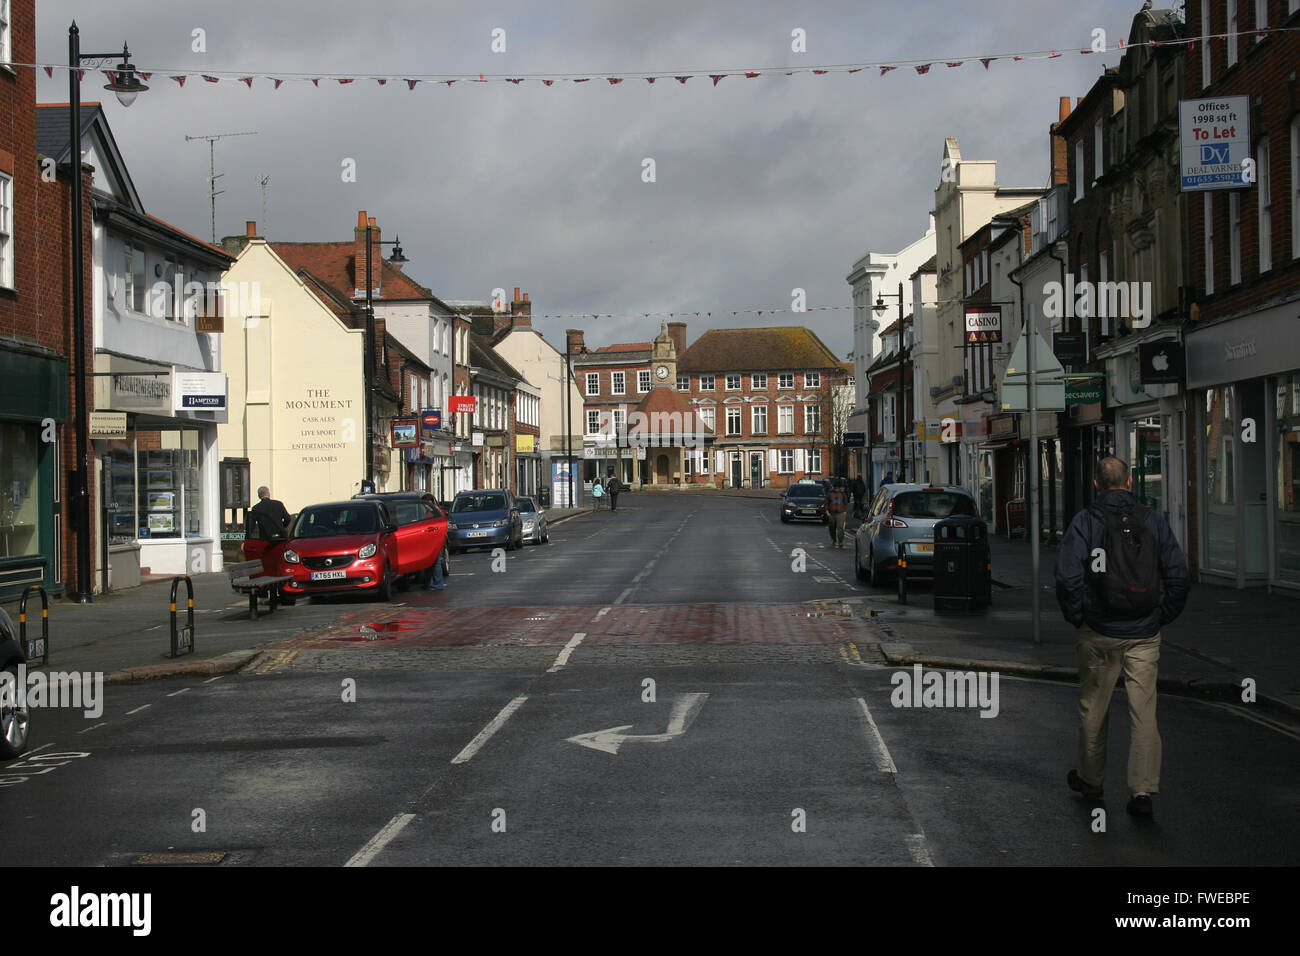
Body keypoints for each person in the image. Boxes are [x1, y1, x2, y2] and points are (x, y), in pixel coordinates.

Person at [1054, 456, 1189, 819]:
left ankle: (1091, 780)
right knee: (1144, 711)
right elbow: (1178, 574)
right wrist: (1161, 615)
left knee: (1094, 709)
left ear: (1097, 485)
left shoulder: (1086, 522)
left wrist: (1079, 615)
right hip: (1144, 633)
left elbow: (1067, 576)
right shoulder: (1152, 521)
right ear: (1129, 483)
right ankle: (1143, 791)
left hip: (1098, 632)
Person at [826, 478, 849, 548]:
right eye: (835, 488)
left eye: (838, 488)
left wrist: (845, 511)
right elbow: (826, 502)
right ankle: (834, 540)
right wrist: (827, 511)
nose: (837, 489)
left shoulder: (842, 494)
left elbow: (845, 503)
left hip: (841, 513)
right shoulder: (830, 493)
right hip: (831, 513)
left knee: (840, 528)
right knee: (832, 528)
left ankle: (840, 541)